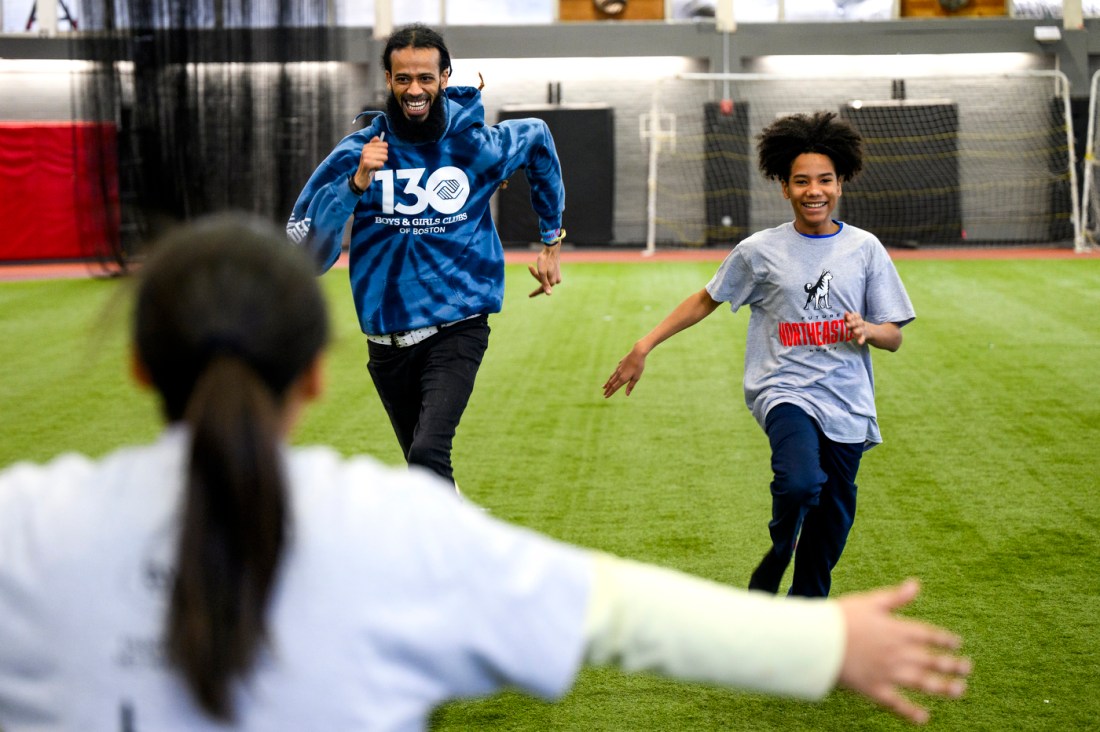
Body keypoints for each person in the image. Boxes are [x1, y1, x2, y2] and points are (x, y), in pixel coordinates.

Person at [0, 213, 967, 729]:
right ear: (317, 373)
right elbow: (614, 613)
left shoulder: (28, 526)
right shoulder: (392, 526)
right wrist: (823, 646)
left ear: (138, 366)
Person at [604, 111, 916, 599]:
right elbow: (706, 298)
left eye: (825, 180)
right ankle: (779, 551)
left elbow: (894, 334)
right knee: (798, 484)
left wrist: (870, 330)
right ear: (784, 188)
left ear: (841, 182)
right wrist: (645, 344)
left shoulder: (865, 249)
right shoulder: (760, 250)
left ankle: (803, 609)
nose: (814, 191)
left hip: (848, 401)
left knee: (833, 518)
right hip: (784, 389)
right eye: (801, 181)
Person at [286, 23, 566, 489]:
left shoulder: (474, 145)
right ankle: (454, 544)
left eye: (425, 77)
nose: (414, 89)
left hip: (457, 326)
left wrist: (551, 238)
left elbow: (537, 138)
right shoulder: (357, 154)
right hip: (386, 341)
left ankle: (462, 558)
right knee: (426, 478)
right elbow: (307, 257)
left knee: (426, 452)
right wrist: (354, 185)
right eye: (402, 79)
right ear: (389, 81)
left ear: (444, 76)